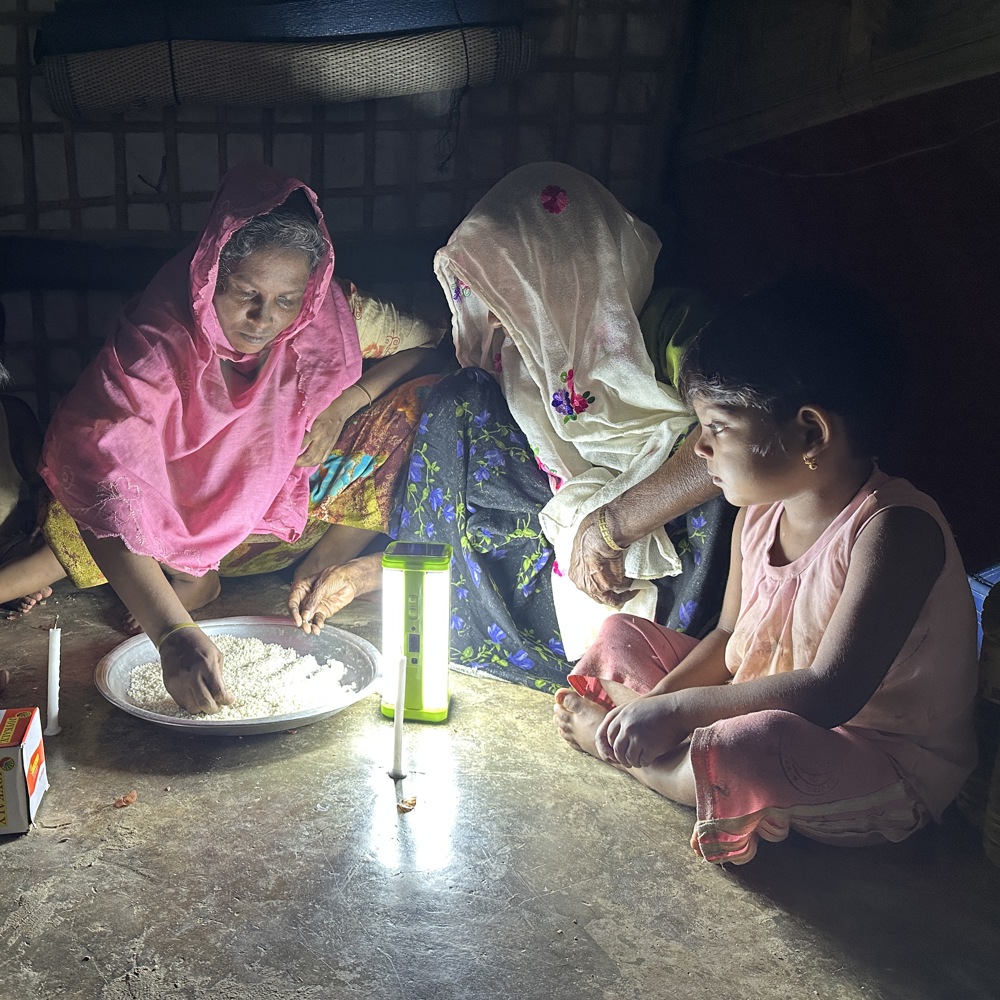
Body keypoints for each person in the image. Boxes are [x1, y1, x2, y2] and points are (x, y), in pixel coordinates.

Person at [553, 272, 978, 864]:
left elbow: (829, 694)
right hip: (758, 698)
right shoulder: (757, 515)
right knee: (619, 635)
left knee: (750, 746)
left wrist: (673, 713)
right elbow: (729, 638)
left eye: (717, 427)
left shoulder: (894, 530)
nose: (700, 449)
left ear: (810, 433)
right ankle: (653, 743)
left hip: (879, 759)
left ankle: (640, 759)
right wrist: (659, 707)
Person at [1, 161, 443, 713]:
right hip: (170, 520)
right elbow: (99, 471)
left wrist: (342, 407)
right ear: (210, 276)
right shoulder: (158, 338)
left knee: (421, 401)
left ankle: (316, 570)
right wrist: (171, 633)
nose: (263, 319)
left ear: (308, 292)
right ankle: (190, 580)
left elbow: (432, 345)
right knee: (89, 504)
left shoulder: (329, 314)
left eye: (286, 300)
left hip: (276, 522)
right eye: (244, 293)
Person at [390, 162, 733, 694]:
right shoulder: (515, 351)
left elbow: (733, 435)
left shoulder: (673, 323)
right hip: (559, 519)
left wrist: (612, 524)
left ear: (568, 270)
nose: (498, 316)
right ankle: (490, 632)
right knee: (456, 402)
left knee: (727, 479)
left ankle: (656, 656)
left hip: (662, 518)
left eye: (516, 289)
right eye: (490, 295)